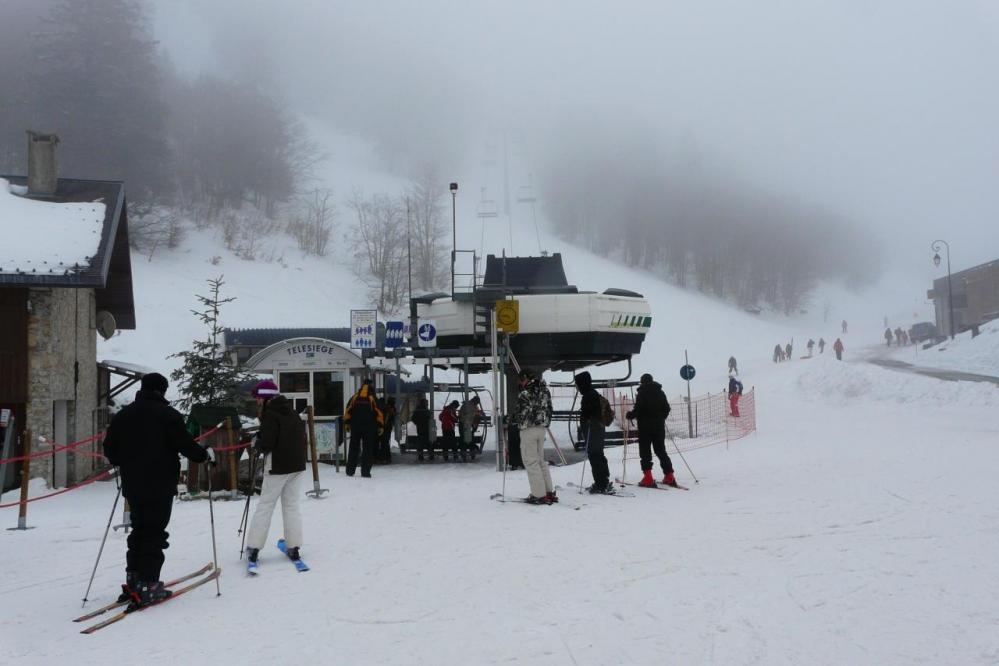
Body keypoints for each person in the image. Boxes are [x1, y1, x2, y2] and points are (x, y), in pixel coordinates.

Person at [103, 372, 212, 607]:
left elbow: (110, 450)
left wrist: (128, 460)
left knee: (139, 530)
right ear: (162, 391)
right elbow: (185, 444)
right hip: (160, 484)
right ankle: (149, 584)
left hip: (133, 485)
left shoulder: (123, 415)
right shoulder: (168, 415)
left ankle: (133, 579)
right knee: (154, 533)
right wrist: (204, 455)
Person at [245, 378, 308, 567]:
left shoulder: (270, 414)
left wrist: (258, 443)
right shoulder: (291, 411)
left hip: (278, 466)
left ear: (265, 398)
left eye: (257, 398)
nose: (257, 401)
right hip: (297, 465)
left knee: (265, 505)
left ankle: (254, 547)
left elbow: (269, 443)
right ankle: (294, 546)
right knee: (291, 506)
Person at [625, 373, 676, 488]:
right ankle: (669, 476)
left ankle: (648, 478)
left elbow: (638, 409)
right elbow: (666, 408)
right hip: (659, 427)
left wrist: (630, 415)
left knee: (645, 452)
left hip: (645, 428)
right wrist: (661, 418)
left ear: (642, 382)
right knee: (661, 451)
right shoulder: (660, 392)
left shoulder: (642, 393)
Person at [514, 369, 557, 504]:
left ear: (525, 379)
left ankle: (538, 494)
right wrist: (545, 423)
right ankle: (548, 491)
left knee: (531, 461)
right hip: (541, 428)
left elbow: (520, 413)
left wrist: (509, 420)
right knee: (540, 461)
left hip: (528, 429)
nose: (519, 383)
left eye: (521, 380)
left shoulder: (525, 394)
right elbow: (550, 409)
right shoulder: (545, 391)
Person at [574, 371, 613, 494]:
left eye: (578, 384)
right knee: (598, 454)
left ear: (582, 383)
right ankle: (604, 480)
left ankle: (600, 484)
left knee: (594, 455)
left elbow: (589, 413)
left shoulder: (589, 395)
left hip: (593, 430)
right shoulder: (593, 393)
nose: (577, 387)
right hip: (598, 429)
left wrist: (586, 422)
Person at [343, 379, 384, 477]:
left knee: (353, 448)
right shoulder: (372, 398)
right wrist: (380, 426)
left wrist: (347, 423)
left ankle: (350, 471)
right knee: (367, 450)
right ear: (371, 387)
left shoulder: (355, 397)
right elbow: (379, 413)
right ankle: (365, 472)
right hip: (369, 428)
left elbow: (348, 410)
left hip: (355, 427)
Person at [378, 397, 396, 464]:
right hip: (387, 427)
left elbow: (386, 419)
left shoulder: (388, 409)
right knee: (385, 443)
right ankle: (386, 458)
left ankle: (385, 458)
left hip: (385, 427)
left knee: (384, 443)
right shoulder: (392, 409)